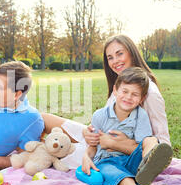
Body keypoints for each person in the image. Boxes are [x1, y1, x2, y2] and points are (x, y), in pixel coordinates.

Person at [42, 34, 171, 168]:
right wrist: (89, 132)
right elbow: (105, 119)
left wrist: (121, 144)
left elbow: (162, 143)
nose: (115, 61)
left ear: (132, 54)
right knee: (42, 119)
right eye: (110, 57)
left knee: (50, 150)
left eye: (119, 54)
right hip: (97, 138)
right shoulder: (120, 85)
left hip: (109, 153)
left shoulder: (150, 92)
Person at [76, 67, 177, 185]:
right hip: (107, 162)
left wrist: (122, 145)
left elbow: (139, 146)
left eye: (135, 94)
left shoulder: (140, 116)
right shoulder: (100, 116)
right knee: (124, 180)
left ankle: (148, 162)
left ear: (142, 99)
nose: (128, 97)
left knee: (151, 140)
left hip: (131, 160)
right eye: (125, 91)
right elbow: (92, 146)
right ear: (115, 91)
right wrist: (86, 157)